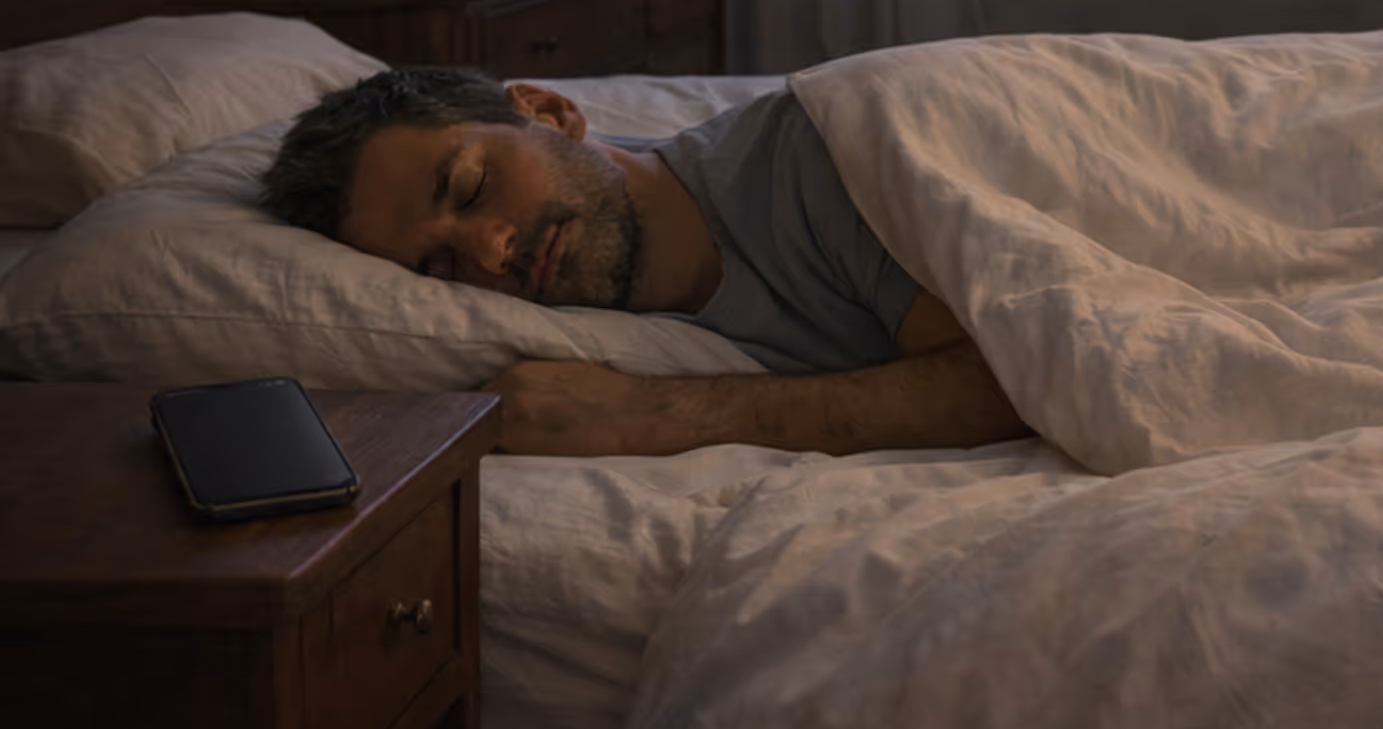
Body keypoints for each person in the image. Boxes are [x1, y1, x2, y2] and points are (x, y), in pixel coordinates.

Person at [258, 67, 1030, 459]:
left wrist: (645, 415)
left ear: (549, 110)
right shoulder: (619, 327)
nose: (490, 249)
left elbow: (1023, 375)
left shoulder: (812, 156)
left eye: (471, 186)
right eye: (440, 267)